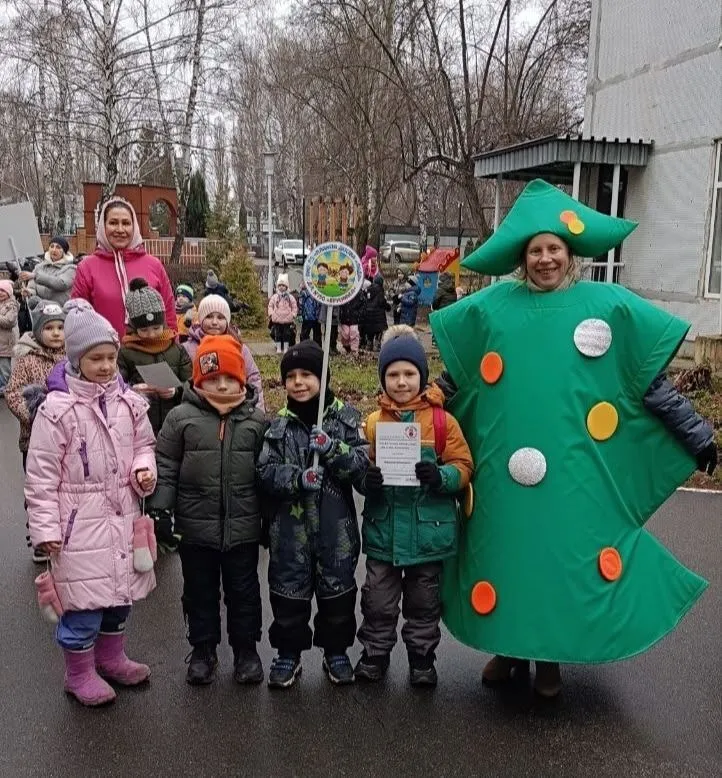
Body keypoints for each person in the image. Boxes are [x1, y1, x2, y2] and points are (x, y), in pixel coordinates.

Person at [430, 178, 718, 697]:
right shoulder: (492, 309)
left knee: (561, 556)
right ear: (522, 259)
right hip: (502, 474)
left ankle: (549, 659)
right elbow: (455, 380)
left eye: (554, 249)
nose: (545, 259)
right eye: (536, 251)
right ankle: (509, 648)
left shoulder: (605, 308)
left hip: (574, 470)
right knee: (509, 554)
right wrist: (409, 417)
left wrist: (696, 435)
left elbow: (648, 384)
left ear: (571, 254)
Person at [25, 299, 157, 707]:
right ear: (76, 359)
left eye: (110, 358)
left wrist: (143, 469)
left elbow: (144, 445)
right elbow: (41, 477)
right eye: (95, 358)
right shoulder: (57, 411)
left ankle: (111, 657)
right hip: (77, 527)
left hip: (122, 517)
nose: (105, 366)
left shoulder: (129, 403)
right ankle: (78, 673)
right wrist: (45, 531)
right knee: (82, 606)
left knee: (118, 599)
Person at [355, 327, 473, 686]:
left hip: (427, 535)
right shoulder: (374, 423)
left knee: (424, 602)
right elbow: (360, 468)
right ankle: (375, 654)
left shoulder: (442, 422)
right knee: (378, 601)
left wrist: (441, 477)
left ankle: (422, 658)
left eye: (409, 373)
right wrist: (367, 480)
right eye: (393, 374)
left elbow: (464, 466)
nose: (402, 382)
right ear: (382, 378)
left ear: (422, 376)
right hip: (385, 533)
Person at [148, 335, 268, 686]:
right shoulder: (180, 418)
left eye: (230, 378)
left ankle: (246, 649)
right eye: (214, 378)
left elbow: (266, 472)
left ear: (242, 379)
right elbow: (166, 464)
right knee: (199, 592)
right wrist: (160, 510)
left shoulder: (257, 421)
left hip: (242, 529)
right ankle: (203, 649)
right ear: (199, 379)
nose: (222, 385)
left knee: (244, 593)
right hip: (195, 529)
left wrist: (269, 519)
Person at [257, 341, 369, 688]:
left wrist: (334, 449)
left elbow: (363, 469)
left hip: (336, 533)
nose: (298, 382)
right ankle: (288, 653)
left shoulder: (345, 420)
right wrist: (295, 478)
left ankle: (335, 651)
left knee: (337, 596)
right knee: (288, 595)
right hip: (290, 535)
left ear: (323, 378)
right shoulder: (278, 426)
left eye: (307, 374)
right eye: (291, 376)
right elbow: (264, 473)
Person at [5, 302, 66, 562]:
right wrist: (32, 415)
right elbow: (13, 392)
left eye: (60, 327)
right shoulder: (27, 360)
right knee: (39, 488)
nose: (56, 333)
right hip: (34, 439)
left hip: (65, 436)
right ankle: (40, 536)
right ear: (39, 330)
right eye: (49, 328)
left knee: (64, 486)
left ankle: (62, 531)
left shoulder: (72, 358)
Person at [71, 197, 175, 337]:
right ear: (103, 226)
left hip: (151, 349)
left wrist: (173, 347)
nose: (120, 229)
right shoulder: (87, 267)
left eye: (126, 223)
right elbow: (77, 319)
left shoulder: (154, 265)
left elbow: (169, 314)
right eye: (113, 223)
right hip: (105, 349)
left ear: (134, 226)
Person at [117, 278, 192, 436]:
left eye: (156, 328)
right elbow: (116, 387)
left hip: (175, 424)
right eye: (144, 330)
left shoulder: (177, 350)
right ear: (134, 327)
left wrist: (176, 391)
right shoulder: (126, 353)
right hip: (141, 426)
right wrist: (133, 390)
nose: (151, 335)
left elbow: (192, 384)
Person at [184, 294, 265, 412]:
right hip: (199, 410)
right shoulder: (188, 348)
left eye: (220, 317)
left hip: (234, 408)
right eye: (209, 317)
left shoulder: (238, 347)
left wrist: (258, 410)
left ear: (227, 321)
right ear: (201, 319)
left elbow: (253, 378)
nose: (214, 322)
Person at [22, 236, 76, 311]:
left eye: (58, 247)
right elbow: (32, 288)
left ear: (64, 251)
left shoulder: (70, 268)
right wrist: (29, 293)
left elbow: (61, 284)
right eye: (52, 246)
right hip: (39, 311)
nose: (54, 250)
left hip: (59, 311)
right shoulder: (39, 267)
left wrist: (36, 276)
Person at [267, 274, 298, 354]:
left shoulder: (290, 297)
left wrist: (293, 314)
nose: (281, 287)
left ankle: (286, 348)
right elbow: (270, 306)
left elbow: (294, 306)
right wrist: (271, 314)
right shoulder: (275, 297)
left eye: (283, 285)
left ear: (286, 287)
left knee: (286, 334)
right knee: (277, 334)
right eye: (280, 285)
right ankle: (278, 347)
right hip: (277, 319)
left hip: (287, 320)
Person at [0, 279, 19, 397]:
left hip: (5, 342)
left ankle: (6, 387)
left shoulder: (12, 306)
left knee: (4, 367)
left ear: (9, 292)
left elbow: (9, 321)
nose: (0, 293)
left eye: (3, 290)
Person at [360, 275, 389, 352]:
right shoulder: (380, 290)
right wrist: (388, 307)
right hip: (378, 315)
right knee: (379, 331)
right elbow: (381, 302)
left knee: (370, 330)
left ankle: (369, 345)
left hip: (368, 314)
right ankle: (377, 345)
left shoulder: (368, 289)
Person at [338, 288, 365, 354]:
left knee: (354, 333)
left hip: (354, 317)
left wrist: (359, 313)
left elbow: (363, 304)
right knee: (345, 333)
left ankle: (354, 349)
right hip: (345, 316)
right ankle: (346, 346)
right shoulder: (343, 291)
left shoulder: (358, 292)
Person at [298, 280, 322, 346]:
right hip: (306, 317)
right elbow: (300, 304)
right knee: (304, 334)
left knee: (317, 334)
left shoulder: (318, 291)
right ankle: (303, 347)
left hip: (316, 317)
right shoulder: (304, 292)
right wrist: (300, 314)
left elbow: (320, 304)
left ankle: (317, 348)